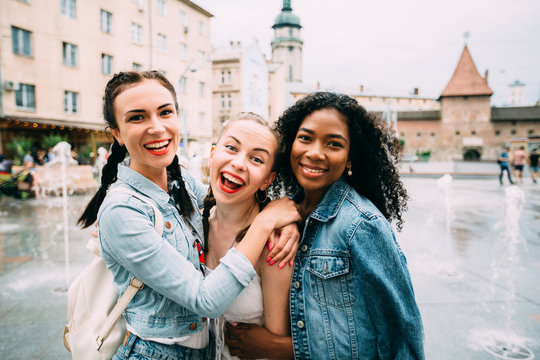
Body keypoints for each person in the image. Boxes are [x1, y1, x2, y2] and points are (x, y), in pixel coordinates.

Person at [77, 71, 301, 359]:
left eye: (165, 112)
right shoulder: (122, 209)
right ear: (116, 133)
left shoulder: (182, 186)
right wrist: (267, 221)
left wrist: (287, 217)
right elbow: (204, 300)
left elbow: (229, 200)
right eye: (137, 117)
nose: (156, 127)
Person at [225, 92, 425, 359]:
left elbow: (400, 336)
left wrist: (280, 349)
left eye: (333, 144)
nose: (315, 153)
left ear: (350, 158)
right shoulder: (285, 212)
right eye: (305, 138)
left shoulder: (361, 225)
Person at [203, 112, 295, 360]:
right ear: (213, 156)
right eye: (231, 147)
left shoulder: (274, 245)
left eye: (256, 159)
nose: (239, 163)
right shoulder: (194, 223)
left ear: (267, 180)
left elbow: (276, 346)